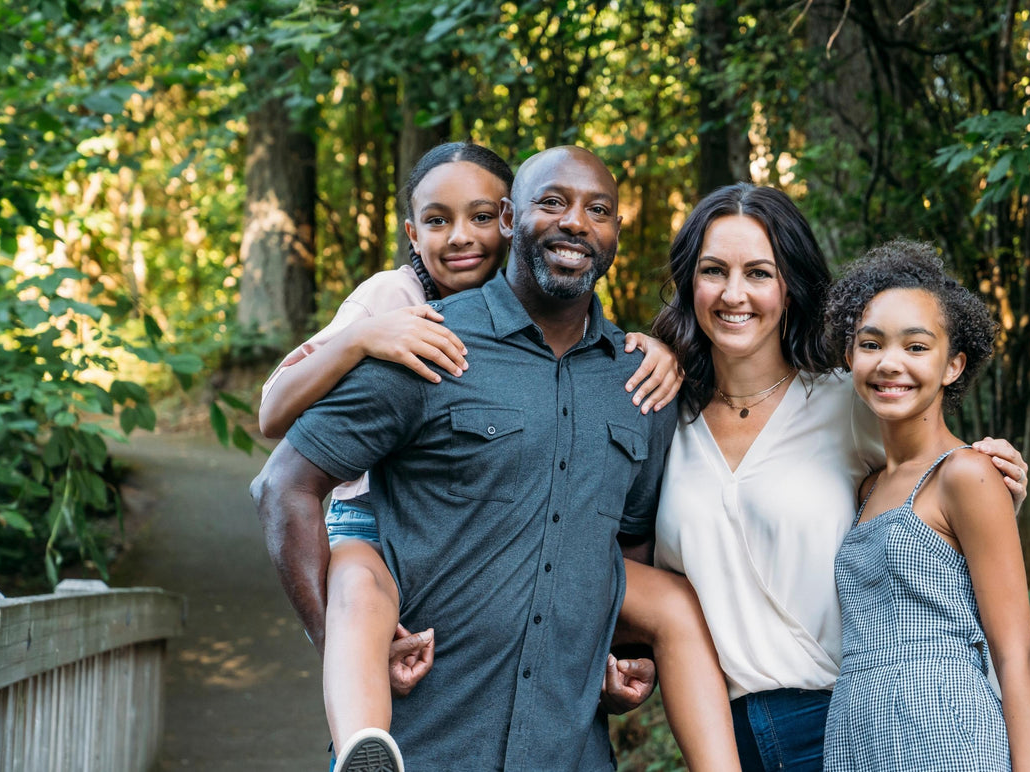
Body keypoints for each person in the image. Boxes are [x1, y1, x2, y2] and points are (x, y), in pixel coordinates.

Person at [250, 146, 736, 772]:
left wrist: (617, 656)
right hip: (426, 745)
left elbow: (627, 546)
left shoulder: (640, 384)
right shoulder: (425, 342)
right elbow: (283, 485)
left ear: (617, 231)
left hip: (570, 751)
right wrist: (338, 644)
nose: (575, 223)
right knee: (357, 579)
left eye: (599, 210)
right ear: (510, 219)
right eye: (553, 203)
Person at [646, 184, 1030, 772]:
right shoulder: (661, 416)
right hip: (722, 735)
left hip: (850, 725)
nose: (733, 293)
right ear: (689, 283)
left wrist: (999, 488)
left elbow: (933, 483)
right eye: (713, 270)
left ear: (790, 285)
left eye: (759, 273)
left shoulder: (847, 402)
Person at [820, 241, 1030, 771]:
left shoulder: (966, 474)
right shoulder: (868, 487)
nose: (890, 363)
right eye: (871, 344)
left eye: (917, 347)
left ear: (953, 364)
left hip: (946, 738)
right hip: (857, 740)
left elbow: (1018, 657)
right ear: (852, 356)